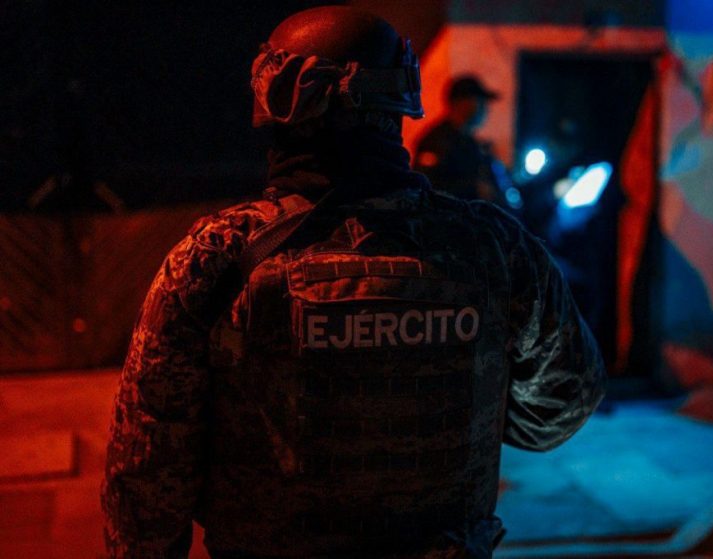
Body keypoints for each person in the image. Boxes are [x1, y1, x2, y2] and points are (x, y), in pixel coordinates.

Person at [102, 6, 605, 559]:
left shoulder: (216, 257)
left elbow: (147, 473)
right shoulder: (496, 248)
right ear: (399, 102)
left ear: (274, 105)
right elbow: (562, 407)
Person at [414, 76, 508, 202]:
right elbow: (427, 185)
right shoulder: (437, 141)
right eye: (480, 102)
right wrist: (473, 189)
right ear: (461, 103)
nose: (485, 109)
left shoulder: (471, 143)